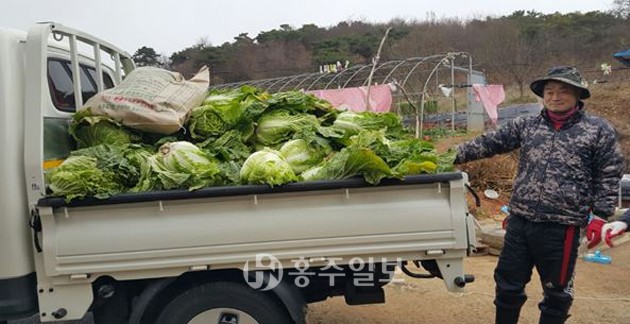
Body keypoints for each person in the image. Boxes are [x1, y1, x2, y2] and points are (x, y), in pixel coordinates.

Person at [454, 66, 624, 324]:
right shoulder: (527, 124)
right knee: (508, 285)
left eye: (563, 91)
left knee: (557, 291)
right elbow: (488, 144)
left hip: (562, 227)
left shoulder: (597, 130)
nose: (555, 97)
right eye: (549, 91)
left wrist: (601, 215)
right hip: (520, 222)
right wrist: (446, 157)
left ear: (578, 95)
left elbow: (609, 174)